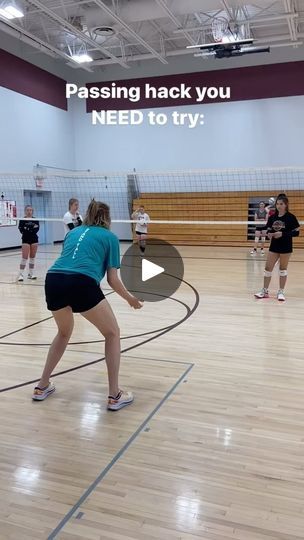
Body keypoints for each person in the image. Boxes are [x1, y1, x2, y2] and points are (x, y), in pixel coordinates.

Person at [32, 200, 143, 409]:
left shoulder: (72, 233)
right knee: (112, 333)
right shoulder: (110, 237)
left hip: (54, 280)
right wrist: (131, 300)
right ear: (107, 218)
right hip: (81, 283)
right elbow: (112, 279)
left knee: (63, 333)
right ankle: (114, 395)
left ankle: (42, 385)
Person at [254, 194, 300, 301]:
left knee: (282, 270)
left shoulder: (290, 217)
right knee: (267, 269)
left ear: (286, 205)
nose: (279, 206)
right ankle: (265, 291)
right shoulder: (272, 217)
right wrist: (269, 233)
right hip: (274, 246)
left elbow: (296, 233)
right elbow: (269, 229)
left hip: (286, 247)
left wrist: (283, 234)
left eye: (281, 204)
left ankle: (281, 292)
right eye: (277, 204)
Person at [17, 205, 39, 282]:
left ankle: (30, 274)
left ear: (32, 211)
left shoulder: (36, 219)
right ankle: (21, 274)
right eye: (27, 210)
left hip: (34, 239)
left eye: (30, 210)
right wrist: (30, 228)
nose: (29, 212)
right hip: (25, 239)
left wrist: (27, 228)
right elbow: (21, 230)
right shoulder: (22, 220)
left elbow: (36, 229)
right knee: (24, 257)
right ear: (25, 211)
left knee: (32, 257)